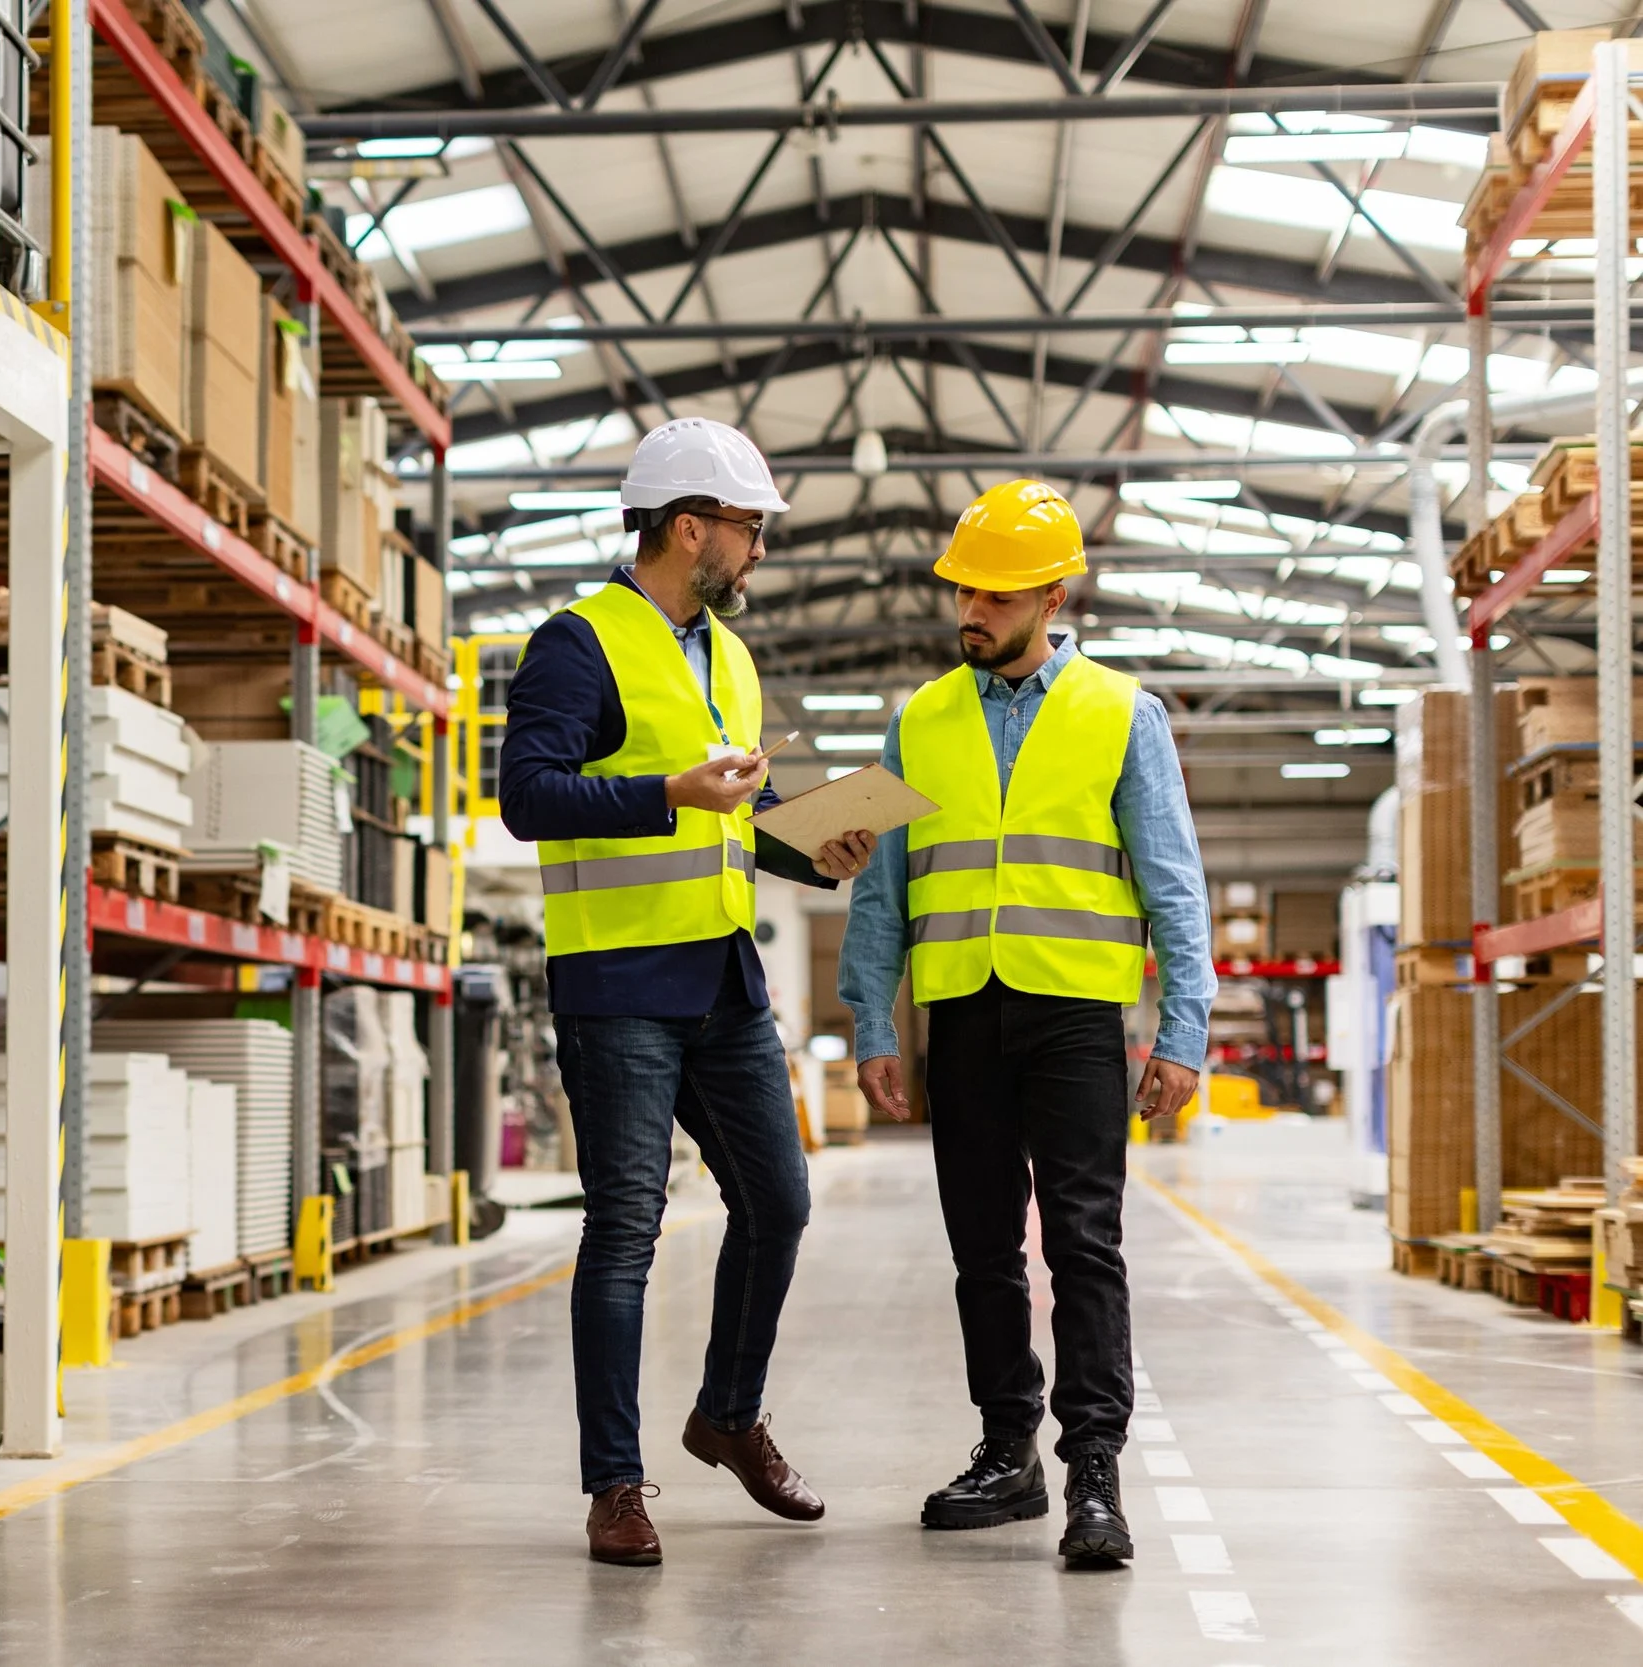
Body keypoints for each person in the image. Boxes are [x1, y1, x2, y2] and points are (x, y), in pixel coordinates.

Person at [498, 417, 876, 1567]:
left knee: (781, 1200)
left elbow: (727, 812)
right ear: (687, 526)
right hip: (617, 979)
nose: (757, 550)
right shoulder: (579, 642)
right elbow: (527, 795)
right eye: (748, 529)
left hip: (723, 974)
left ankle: (726, 1411)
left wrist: (810, 846)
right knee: (625, 1229)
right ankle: (615, 1482)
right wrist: (667, 788)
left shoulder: (729, 654)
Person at [839, 479, 1213, 1570]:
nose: (974, 608)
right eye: (965, 586)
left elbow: (1173, 886)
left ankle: (1092, 1470)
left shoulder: (1120, 712)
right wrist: (872, 1020)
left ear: (1051, 595)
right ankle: (1009, 1451)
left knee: (1084, 1244)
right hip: (959, 1015)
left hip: (1074, 1017)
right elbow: (881, 890)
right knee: (981, 1249)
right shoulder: (919, 718)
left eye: (998, 593)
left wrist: (1183, 1030)